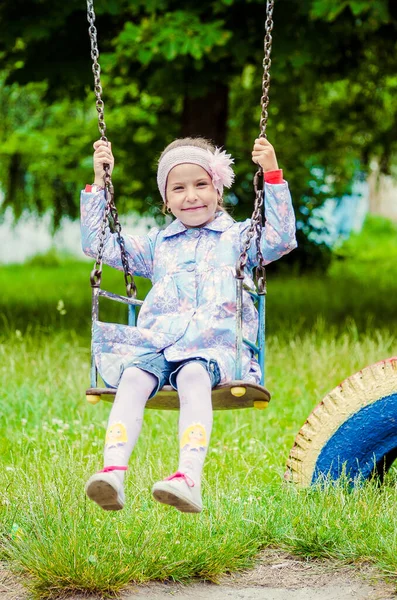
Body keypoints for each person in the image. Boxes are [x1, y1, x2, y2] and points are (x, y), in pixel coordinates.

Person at [81, 136, 297, 513]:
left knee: (193, 375)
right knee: (132, 376)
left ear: (218, 188)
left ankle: (188, 478)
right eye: (177, 188)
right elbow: (97, 244)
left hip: (215, 348)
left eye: (200, 184)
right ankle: (113, 472)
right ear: (166, 200)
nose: (191, 195)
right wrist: (99, 185)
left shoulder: (239, 238)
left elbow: (280, 238)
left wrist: (272, 173)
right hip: (160, 345)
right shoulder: (157, 244)